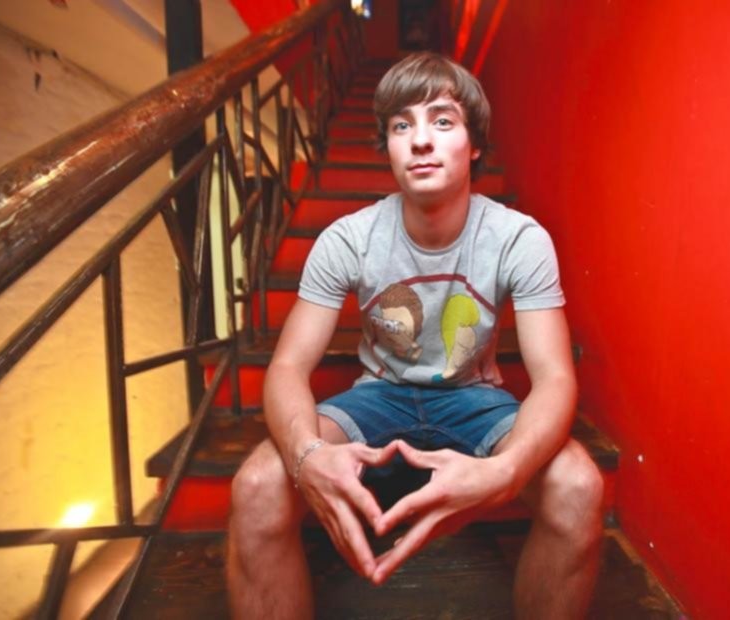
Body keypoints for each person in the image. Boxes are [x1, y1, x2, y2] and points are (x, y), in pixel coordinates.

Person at [227, 52, 604, 619]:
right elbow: (286, 367)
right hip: (379, 395)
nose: (420, 140)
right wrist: (306, 458)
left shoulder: (518, 239)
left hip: (473, 400)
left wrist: (506, 473)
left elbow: (554, 376)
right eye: (402, 125)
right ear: (388, 145)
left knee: (578, 487)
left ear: (474, 145)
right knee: (257, 485)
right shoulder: (347, 239)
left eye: (442, 121)